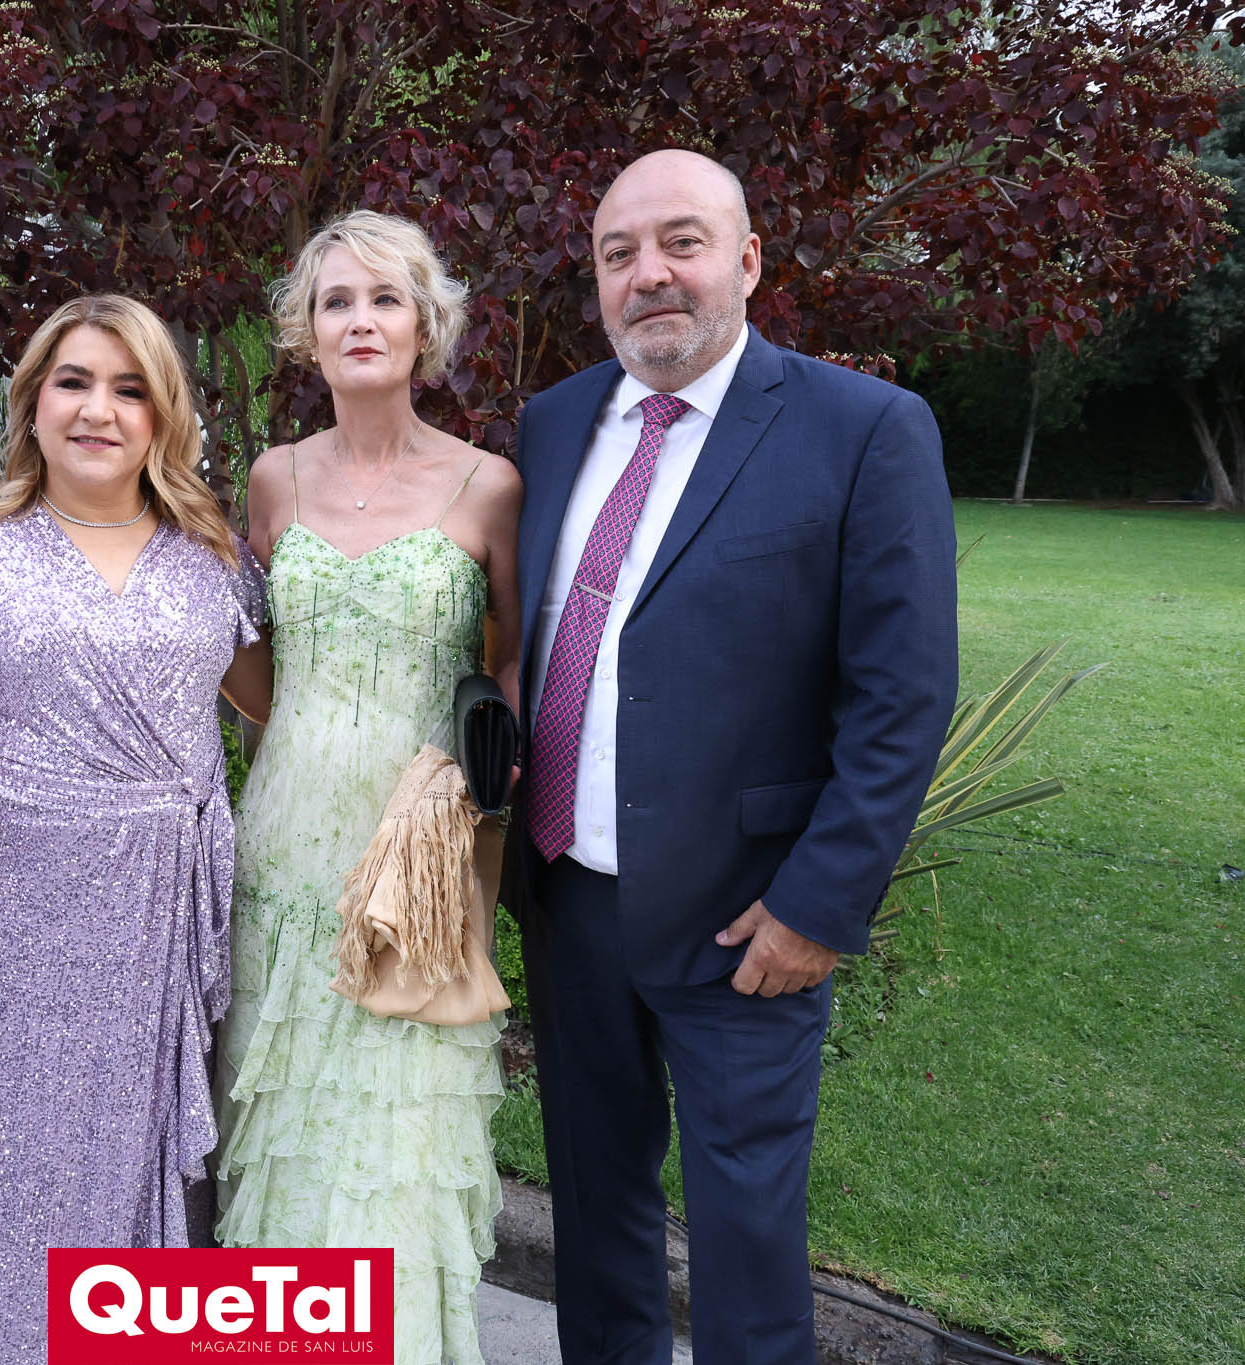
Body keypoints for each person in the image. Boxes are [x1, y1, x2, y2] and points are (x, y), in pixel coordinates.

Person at [509, 148, 959, 1364]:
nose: (648, 274)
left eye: (681, 242)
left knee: (745, 1242)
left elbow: (901, 697)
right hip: (566, 899)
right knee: (592, 1209)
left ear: (747, 260)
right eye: (617, 254)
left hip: (745, 922)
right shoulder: (551, 425)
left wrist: (815, 906)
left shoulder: (862, 430)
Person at [0, 294, 271, 1365]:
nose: (99, 410)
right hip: (1, 917)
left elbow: (277, 703)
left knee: (135, 1155)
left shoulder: (212, 556)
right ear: (33, 401)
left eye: (130, 389)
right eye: (75, 382)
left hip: (159, 915)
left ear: (163, 415)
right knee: (4, 1166)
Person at [212, 210, 524, 1365]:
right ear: (305, 329)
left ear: (423, 324)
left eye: (384, 298)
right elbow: (256, 670)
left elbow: (507, 668)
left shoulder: (487, 486)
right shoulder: (273, 481)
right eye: (334, 300)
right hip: (281, 853)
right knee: (282, 1131)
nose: (359, 320)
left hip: (415, 863)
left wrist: (473, 800)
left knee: (390, 1143)